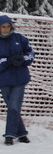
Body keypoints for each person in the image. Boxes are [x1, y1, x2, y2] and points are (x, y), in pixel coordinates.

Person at [0, 15, 34, 145]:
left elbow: (31, 54)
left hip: (20, 78)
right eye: (3, 27)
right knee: (12, 107)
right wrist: (7, 62)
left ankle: (9, 135)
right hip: (3, 79)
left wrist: (23, 59)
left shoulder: (20, 38)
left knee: (14, 106)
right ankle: (22, 133)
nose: (6, 29)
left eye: (8, 26)